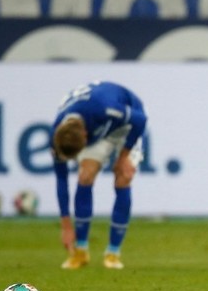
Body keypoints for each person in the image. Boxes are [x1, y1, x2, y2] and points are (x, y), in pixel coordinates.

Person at [52, 81, 147, 270]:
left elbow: (140, 119)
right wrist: (66, 226)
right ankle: (81, 252)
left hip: (126, 125)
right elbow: (61, 179)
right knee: (85, 175)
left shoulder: (107, 108)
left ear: (86, 137)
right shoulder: (58, 134)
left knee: (124, 176)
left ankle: (113, 253)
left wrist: (123, 156)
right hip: (96, 124)